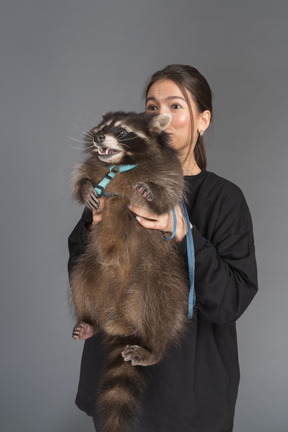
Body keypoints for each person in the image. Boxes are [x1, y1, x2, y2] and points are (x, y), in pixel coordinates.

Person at [68, 64, 258, 432]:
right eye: (152, 107)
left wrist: (185, 234)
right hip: (111, 378)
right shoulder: (114, 178)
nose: (161, 117)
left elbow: (231, 300)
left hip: (188, 395)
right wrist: (93, 225)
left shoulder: (225, 199)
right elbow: (82, 260)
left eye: (176, 106)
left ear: (203, 120)